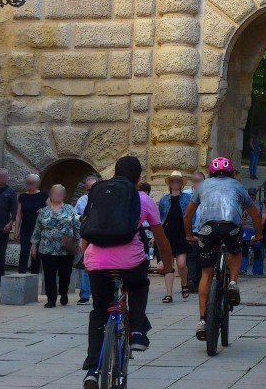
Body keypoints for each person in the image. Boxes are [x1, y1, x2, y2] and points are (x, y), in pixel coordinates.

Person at [82, 156, 172, 389]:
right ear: (139, 178)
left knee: (99, 312)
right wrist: (167, 266)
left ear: (115, 173)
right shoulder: (143, 199)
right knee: (140, 284)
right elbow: (161, 241)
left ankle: (92, 370)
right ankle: (139, 332)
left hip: (96, 262)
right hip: (129, 263)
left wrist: (85, 258)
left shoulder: (99, 193)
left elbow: (86, 232)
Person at [184, 156, 263, 341]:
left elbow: (188, 216)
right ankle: (233, 283)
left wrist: (189, 235)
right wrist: (258, 235)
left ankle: (203, 321)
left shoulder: (202, 185)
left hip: (207, 229)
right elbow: (255, 215)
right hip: (230, 226)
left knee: (206, 274)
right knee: (236, 250)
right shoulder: (236, 186)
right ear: (230, 172)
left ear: (211, 172)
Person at [31, 184, 80, 308]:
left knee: (65, 274)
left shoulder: (70, 209)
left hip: (65, 249)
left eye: (60, 193)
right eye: (55, 193)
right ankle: (51, 299)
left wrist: (79, 241)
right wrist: (33, 245)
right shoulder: (43, 211)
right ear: (50, 195)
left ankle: (63, 292)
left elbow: (77, 226)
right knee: (49, 275)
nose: (57, 195)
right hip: (46, 249)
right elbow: (37, 229)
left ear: (64, 195)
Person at [157, 171, 191, 303]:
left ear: (181, 184)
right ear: (170, 183)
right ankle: (169, 294)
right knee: (168, 265)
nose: (175, 183)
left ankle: (184, 284)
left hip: (182, 234)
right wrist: (157, 236)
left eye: (178, 181)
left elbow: (191, 216)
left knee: (181, 265)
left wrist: (193, 232)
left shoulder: (187, 199)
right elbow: (160, 219)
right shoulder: (164, 200)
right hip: (168, 234)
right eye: (173, 181)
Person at [14, 174, 46, 275]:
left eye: (32, 183)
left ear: (37, 184)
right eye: (28, 183)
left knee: (35, 254)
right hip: (25, 228)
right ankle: (21, 275)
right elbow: (18, 215)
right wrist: (16, 230)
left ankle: (34, 276)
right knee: (24, 252)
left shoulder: (43, 195)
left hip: (38, 229)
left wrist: (44, 210)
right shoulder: (22, 197)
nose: (30, 185)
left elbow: (52, 209)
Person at [74, 175, 99, 304]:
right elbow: (75, 215)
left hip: (99, 236)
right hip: (86, 235)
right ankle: (84, 294)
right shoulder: (82, 200)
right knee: (84, 264)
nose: (90, 192)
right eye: (88, 189)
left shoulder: (103, 199)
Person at [184, 170, 205, 292]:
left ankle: (199, 281)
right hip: (190, 230)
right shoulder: (186, 195)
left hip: (203, 230)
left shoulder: (206, 195)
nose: (196, 183)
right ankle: (191, 279)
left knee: (202, 256)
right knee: (191, 256)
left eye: (199, 181)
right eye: (195, 181)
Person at [240, 187, 266, 275]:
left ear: (255, 195)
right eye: (250, 195)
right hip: (247, 228)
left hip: (255, 228)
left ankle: (255, 270)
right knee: (245, 249)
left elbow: (263, 216)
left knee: (257, 250)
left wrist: (260, 227)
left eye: (253, 195)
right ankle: (243, 269)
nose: (251, 196)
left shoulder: (260, 204)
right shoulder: (244, 204)